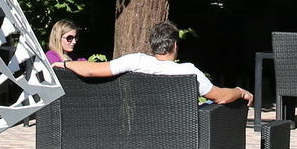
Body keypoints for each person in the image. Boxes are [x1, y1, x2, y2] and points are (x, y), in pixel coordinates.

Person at [61, 21, 250, 104]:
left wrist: (64, 64)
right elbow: (222, 97)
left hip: (139, 128)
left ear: (152, 44)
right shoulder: (188, 71)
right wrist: (239, 92)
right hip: (180, 134)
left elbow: (91, 71)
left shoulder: (135, 61)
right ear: (175, 45)